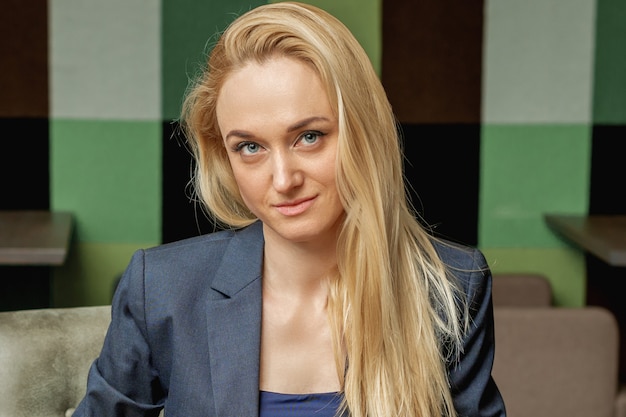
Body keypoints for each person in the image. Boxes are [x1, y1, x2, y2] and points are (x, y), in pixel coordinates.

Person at [72, 2, 505, 416]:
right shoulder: (163, 290)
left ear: (363, 132)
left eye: (309, 137)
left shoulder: (450, 288)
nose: (283, 179)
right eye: (250, 147)